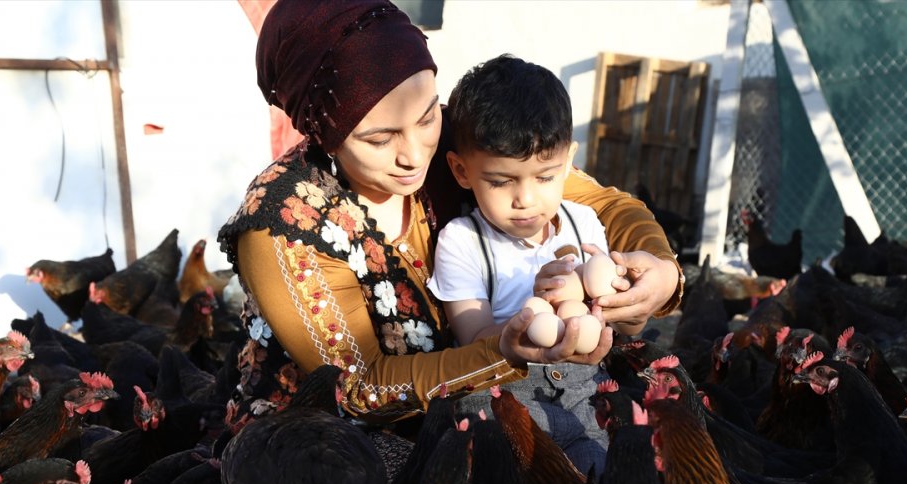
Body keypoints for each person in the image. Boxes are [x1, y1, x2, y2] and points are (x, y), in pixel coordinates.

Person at [217, 0, 683, 434]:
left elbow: (601, 202)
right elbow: (358, 388)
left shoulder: (458, 140)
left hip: (478, 404)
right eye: (380, 140)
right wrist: (501, 354)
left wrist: (661, 273)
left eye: (425, 118)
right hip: (330, 441)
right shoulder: (282, 223)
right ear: (324, 135)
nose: (415, 154)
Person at [428, 55, 637, 473]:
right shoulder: (463, 242)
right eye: (501, 181)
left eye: (545, 177)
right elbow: (472, 338)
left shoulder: (585, 224)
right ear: (461, 170)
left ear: (569, 160)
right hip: (503, 398)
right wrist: (531, 309)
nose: (525, 199)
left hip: (582, 396)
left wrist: (615, 294)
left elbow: (624, 326)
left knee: (600, 482)